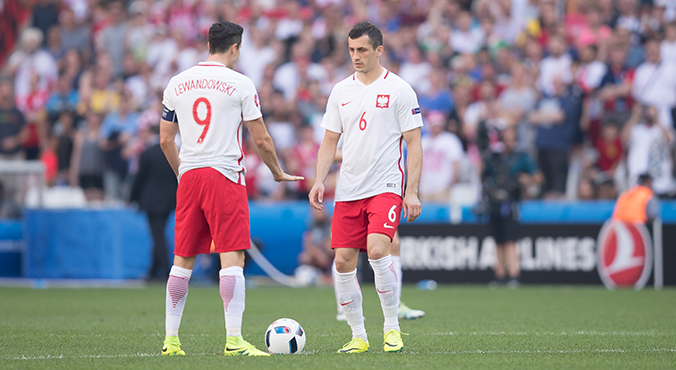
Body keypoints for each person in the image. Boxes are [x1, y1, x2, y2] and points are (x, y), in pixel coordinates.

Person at [158, 21, 302, 357]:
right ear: (235, 48)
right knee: (232, 256)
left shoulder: (177, 83)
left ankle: (171, 340)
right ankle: (234, 340)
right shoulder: (240, 83)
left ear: (209, 43)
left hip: (190, 175)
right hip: (224, 175)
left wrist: (183, 172)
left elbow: (166, 139)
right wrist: (277, 172)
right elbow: (262, 138)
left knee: (182, 259)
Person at [309, 21, 423, 354]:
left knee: (376, 250)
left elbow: (414, 143)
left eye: (362, 50)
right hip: (348, 190)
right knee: (343, 262)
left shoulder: (400, 89)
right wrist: (319, 179)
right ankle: (359, 335)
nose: (355, 56)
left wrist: (411, 191)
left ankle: (392, 328)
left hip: (385, 185)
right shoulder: (341, 90)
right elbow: (329, 140)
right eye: (351, 50)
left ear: (379, 50)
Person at [482, 127, 541, 288]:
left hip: (511, 202)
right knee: (498, 239)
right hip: (494, 201)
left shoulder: (521, 158)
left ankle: (513, 273)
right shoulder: (494, 157)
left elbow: (538, 177)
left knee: (510, 239)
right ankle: (499, 274)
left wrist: (526, 179)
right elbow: (483, 174)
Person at [130, 124, 177, 282]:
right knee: (159, 234)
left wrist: (131, 198)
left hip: (151, 201)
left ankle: (165, 271)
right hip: (169, 200)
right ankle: (153, 271)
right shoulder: (173, 151)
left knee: (157, 236)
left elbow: (139, 179)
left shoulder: (147, 153)